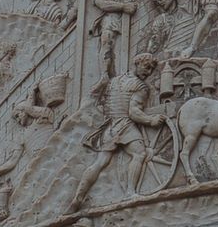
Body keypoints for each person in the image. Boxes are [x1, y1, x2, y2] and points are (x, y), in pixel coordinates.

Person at [70, 54, 164, 211]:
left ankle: (77, 198)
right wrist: (151, 120)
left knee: (100, 163)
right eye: (146, 67)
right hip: (125, 126)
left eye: (151, 69)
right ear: (137, 64)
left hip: (110, 127)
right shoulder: (141, 87)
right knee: (139, 154)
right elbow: (134, 112)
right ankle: (130, 192)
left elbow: (104, 104)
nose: (148, 72)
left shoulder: (114, 81)